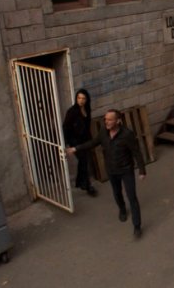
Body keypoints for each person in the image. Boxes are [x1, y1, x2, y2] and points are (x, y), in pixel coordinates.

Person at [68, 109, 146, 238]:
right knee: (117, 193)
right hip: (111, 170)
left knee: (132, 197)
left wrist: (142, 171)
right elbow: (93, 143)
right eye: (105, 119)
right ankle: (122, 209)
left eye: (109, 120)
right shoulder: (103, 132)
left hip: (126, 170)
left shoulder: (127, 134)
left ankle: (137, 226)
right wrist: (75, 148)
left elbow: (136, 152)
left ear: (118, 121)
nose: (106, 122)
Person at [62, 89, 97, 197]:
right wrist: (67, 143)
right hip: (75, 141)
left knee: (84, 162)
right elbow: (65, 127)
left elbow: (86, 126)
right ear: (76, 99)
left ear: (87, 100)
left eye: (83, 98)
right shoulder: (72, 111)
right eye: (79, 98)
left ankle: (82, 183)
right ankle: (86, 185)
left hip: (85, 140)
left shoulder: (87, 109)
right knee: (83, 161)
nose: (81, 101)